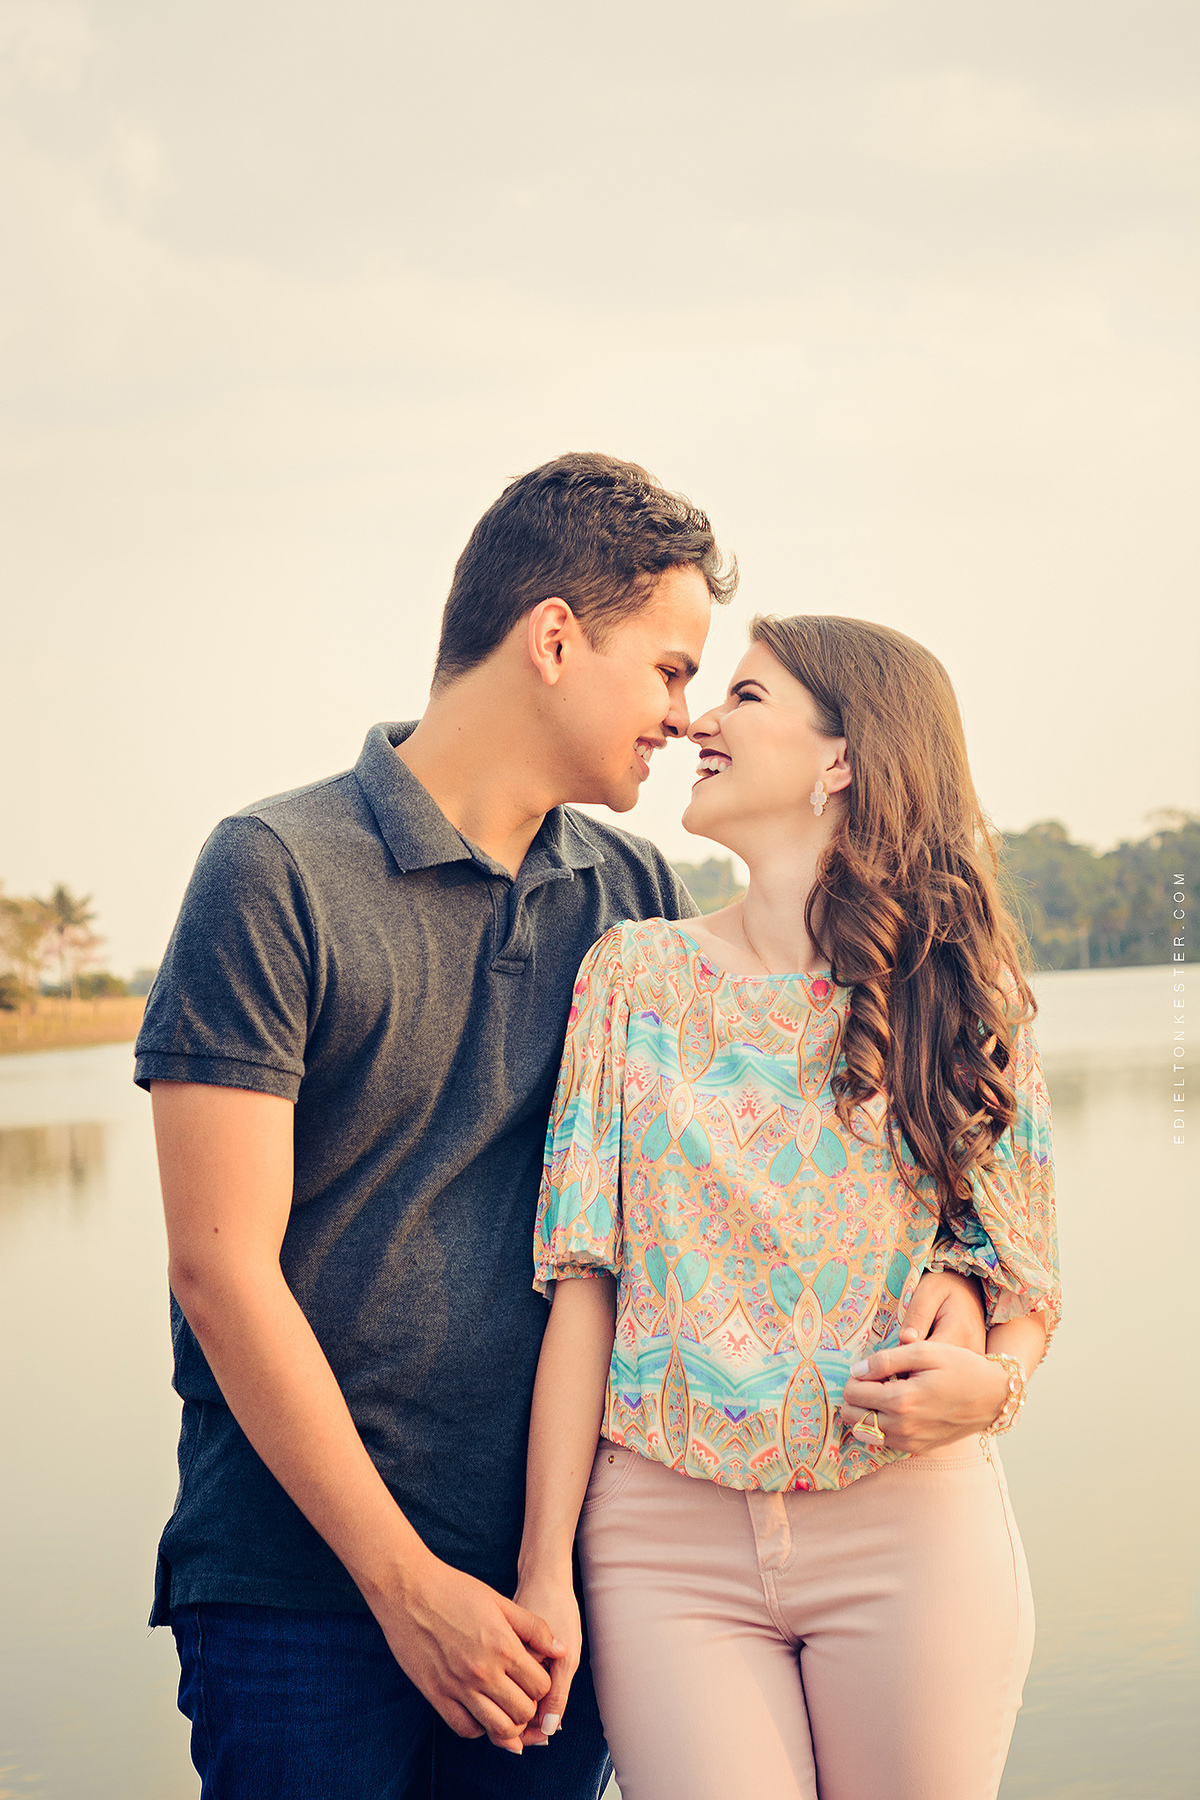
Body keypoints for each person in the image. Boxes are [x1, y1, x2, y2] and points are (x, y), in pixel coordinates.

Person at [137, 455, 984, 1800]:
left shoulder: (633, 897)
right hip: (301, 1590)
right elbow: (218, 1271)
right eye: (664, 669)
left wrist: (964, 1288)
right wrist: (406, 1587)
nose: (684, 713)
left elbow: (796, 1166)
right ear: (550, 638)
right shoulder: (273, 869)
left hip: (558, 1596)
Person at [519, 613, 1060, 1800]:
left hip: (908, 1533)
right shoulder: (632, 979)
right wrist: (543, 1570)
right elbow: (583, 1291)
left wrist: (993, 1385)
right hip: (662, 1547)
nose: (700, 718)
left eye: (746, 698)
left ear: (843, 760)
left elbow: (1026, 1282)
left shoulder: (962, 992)